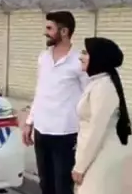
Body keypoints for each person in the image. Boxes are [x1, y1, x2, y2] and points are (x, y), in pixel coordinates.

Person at [22, 11, 89, 194]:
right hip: (42, 131)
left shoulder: (79, 61)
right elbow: (40, 91)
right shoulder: (43, 57)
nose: (46, 32)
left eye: (50, 28)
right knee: (46, 185)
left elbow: (89, 96)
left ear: (64, 31)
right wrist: (29, 122)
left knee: (63, 187)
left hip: (65, 134)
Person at [72, 37, 132, 194]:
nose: (80, 57)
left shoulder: (104, 87)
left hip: (101, 158)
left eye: (85, 53)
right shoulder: (96, 82)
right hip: (94, 156)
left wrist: (80, 167)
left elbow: (96, 130)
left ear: (98, 57)